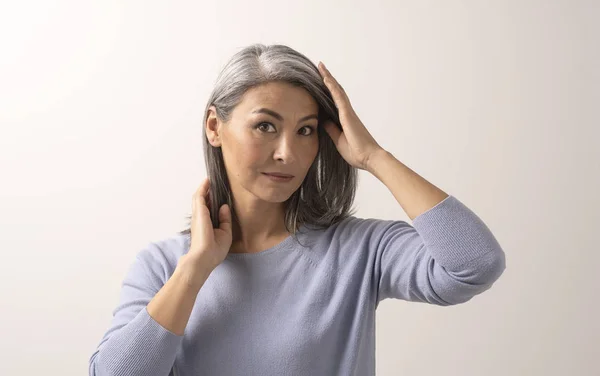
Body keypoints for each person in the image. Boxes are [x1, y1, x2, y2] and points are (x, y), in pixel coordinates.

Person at [88, 44, 506, 376]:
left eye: (305, 130)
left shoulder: (359, 250)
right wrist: (195, 270)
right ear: (215, 127)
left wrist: (374, 156)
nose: (287, 153)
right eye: (265, 126)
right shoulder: (164, 267)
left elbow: (475, 264)